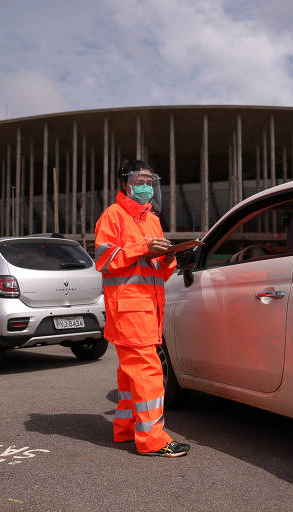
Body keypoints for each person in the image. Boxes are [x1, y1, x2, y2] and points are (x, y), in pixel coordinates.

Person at [94, 160, 190, 457]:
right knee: (148, 373)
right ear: (125, 184)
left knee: (129, 376)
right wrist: (142, 250)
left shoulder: (152, 220)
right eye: (140, 180)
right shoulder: (113, 216)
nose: (147, 186)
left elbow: (154, 270)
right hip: (130, 312)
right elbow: (104, 261)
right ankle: (153, 441)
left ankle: (126, 430)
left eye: (150, 180)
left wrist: (172, 257)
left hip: (147, 309)